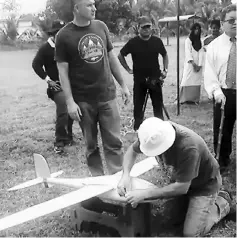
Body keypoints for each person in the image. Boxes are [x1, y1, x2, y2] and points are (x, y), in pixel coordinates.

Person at [117, 117, 231, 237]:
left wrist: (145, 194)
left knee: (191, 233)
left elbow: (182, 188)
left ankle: (222, 202)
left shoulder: (188, 147)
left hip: (204, 186)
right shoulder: (152, 134)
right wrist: (125, 176)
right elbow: (132, 151)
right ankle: (189, 206)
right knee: (168, 221)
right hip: (181, 180)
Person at [55, 0, 130, 176]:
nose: (94, 8)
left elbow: (111, 58)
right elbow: (62, 72)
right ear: (76, 8)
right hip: (83, 101)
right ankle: (98, 182)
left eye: (94, 4)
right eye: (89, 5)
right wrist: (70, 102)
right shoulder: (63, 36)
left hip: (107, 96)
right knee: (91, 146)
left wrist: (124, 85)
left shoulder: (101, 27)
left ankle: (118, 181)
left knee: (114, 142)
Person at [118, 16, 168, 131]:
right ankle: (138, 128)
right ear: (138, 28)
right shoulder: (133, 42)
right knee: (138, 106)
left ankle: (160, 128)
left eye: (148, 27)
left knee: (157, 105)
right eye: (143, 27)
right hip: (139, 80)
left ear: (151, 27)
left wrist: (165, 70)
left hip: (155, 79)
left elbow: (165, 54)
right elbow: (121, 55)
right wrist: (128, 69)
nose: (146, 29)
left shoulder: (157, 41)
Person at [32, 20, 74, 154]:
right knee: (63, 109)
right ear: (54, 34)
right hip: (56, 86)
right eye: (58, 32)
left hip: (71, 84)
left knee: (72, 110)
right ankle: (59, 142)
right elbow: (36, 65)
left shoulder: (67, 46)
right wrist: (48, 80)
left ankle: (68, 136)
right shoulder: (45, 49)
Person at [204, 4, 236, 173]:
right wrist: (216, 92)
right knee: (223, 130)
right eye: (231, 20)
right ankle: (222, 160)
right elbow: (209, 73)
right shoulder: (214, 46)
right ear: (223, 23)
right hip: (224, 93)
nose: (235, 23)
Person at [180, 23, 204, 105]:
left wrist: (199, 65)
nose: (197, 31)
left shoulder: (201, 41)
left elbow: (201, 53)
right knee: (187, 79)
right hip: (190, 64)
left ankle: (194, 99)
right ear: (192, 30)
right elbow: (188, 53)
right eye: (195, 29)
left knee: (196, 81)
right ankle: (185, 99)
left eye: (198, 29)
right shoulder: (188, 40)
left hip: (198, 65)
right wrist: (193, 64)